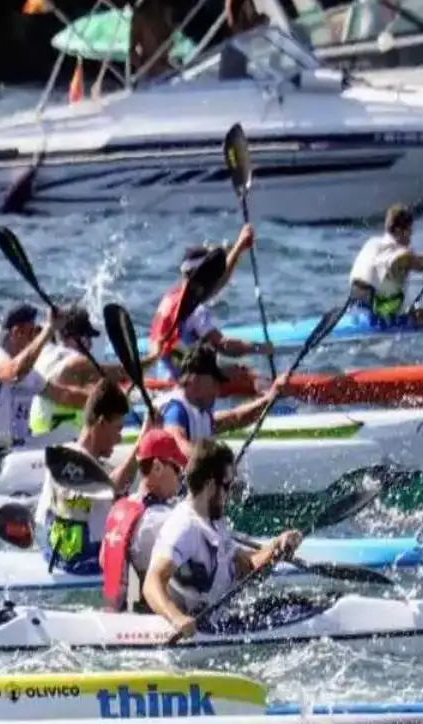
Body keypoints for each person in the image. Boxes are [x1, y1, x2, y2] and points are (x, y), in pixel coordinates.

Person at [139, 440, 303, 636]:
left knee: (295, 604)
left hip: (219, 621)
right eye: (227, 486)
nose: (230, 495)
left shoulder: (212, 521)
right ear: (210, 486)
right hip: (193, 630)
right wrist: (176, 618)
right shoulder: (184, 527)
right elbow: (151, 583)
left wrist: (277, 547)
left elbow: (249, 566)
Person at [0, 305, 96, 477]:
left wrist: (105, 399)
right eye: (32, 332)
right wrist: (50, 330)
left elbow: (64, 396)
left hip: (16, 449)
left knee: (71, 436)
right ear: (17, 332)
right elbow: (13, 373)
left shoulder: (27, 373)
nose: (35, 337)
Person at [38, 380, 146, 575]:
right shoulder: (69, 459)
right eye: (118, 429)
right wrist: (143, 440)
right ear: (101, 423)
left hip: (80, 558)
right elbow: (111, 487)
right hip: (76, 564)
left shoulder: (90, 464)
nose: (119, 438)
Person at [147, 227, 264, 382]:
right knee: (248, 373)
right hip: (189, 383)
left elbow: (218, 283)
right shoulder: (196, 312)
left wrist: (239, 246)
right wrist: (262, 348)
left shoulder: (172, 298)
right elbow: (224, 346)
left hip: (164, 377)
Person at [100, 429, 190, 611]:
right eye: (177, 469)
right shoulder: (160, 520)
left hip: (117, 612)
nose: (180, 479)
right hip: (147, 619)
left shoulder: (120, 508)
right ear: (157, 467)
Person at [347, 205, 423, 328]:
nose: (410, 238)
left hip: (354, 314)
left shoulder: (372, 243)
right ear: (398, 231)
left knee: (407, 308)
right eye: (409, 232)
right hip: (378, 322)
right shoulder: (398, 255)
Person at [157, 346, 282, 455]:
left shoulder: (201, 411)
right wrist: (214, 467)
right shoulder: (175, 408)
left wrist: (270, 397)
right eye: (215, 382)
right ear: (195, 380)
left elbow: (236, 418)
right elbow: (176, 443)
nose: (218, 390)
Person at [28, 308, 106, 438]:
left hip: (37, 432)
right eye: (87, 338)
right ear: (75, 338)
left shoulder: (45, 352)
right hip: (60, 440)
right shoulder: (74, 360)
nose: (90, 345)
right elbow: (102, 393)